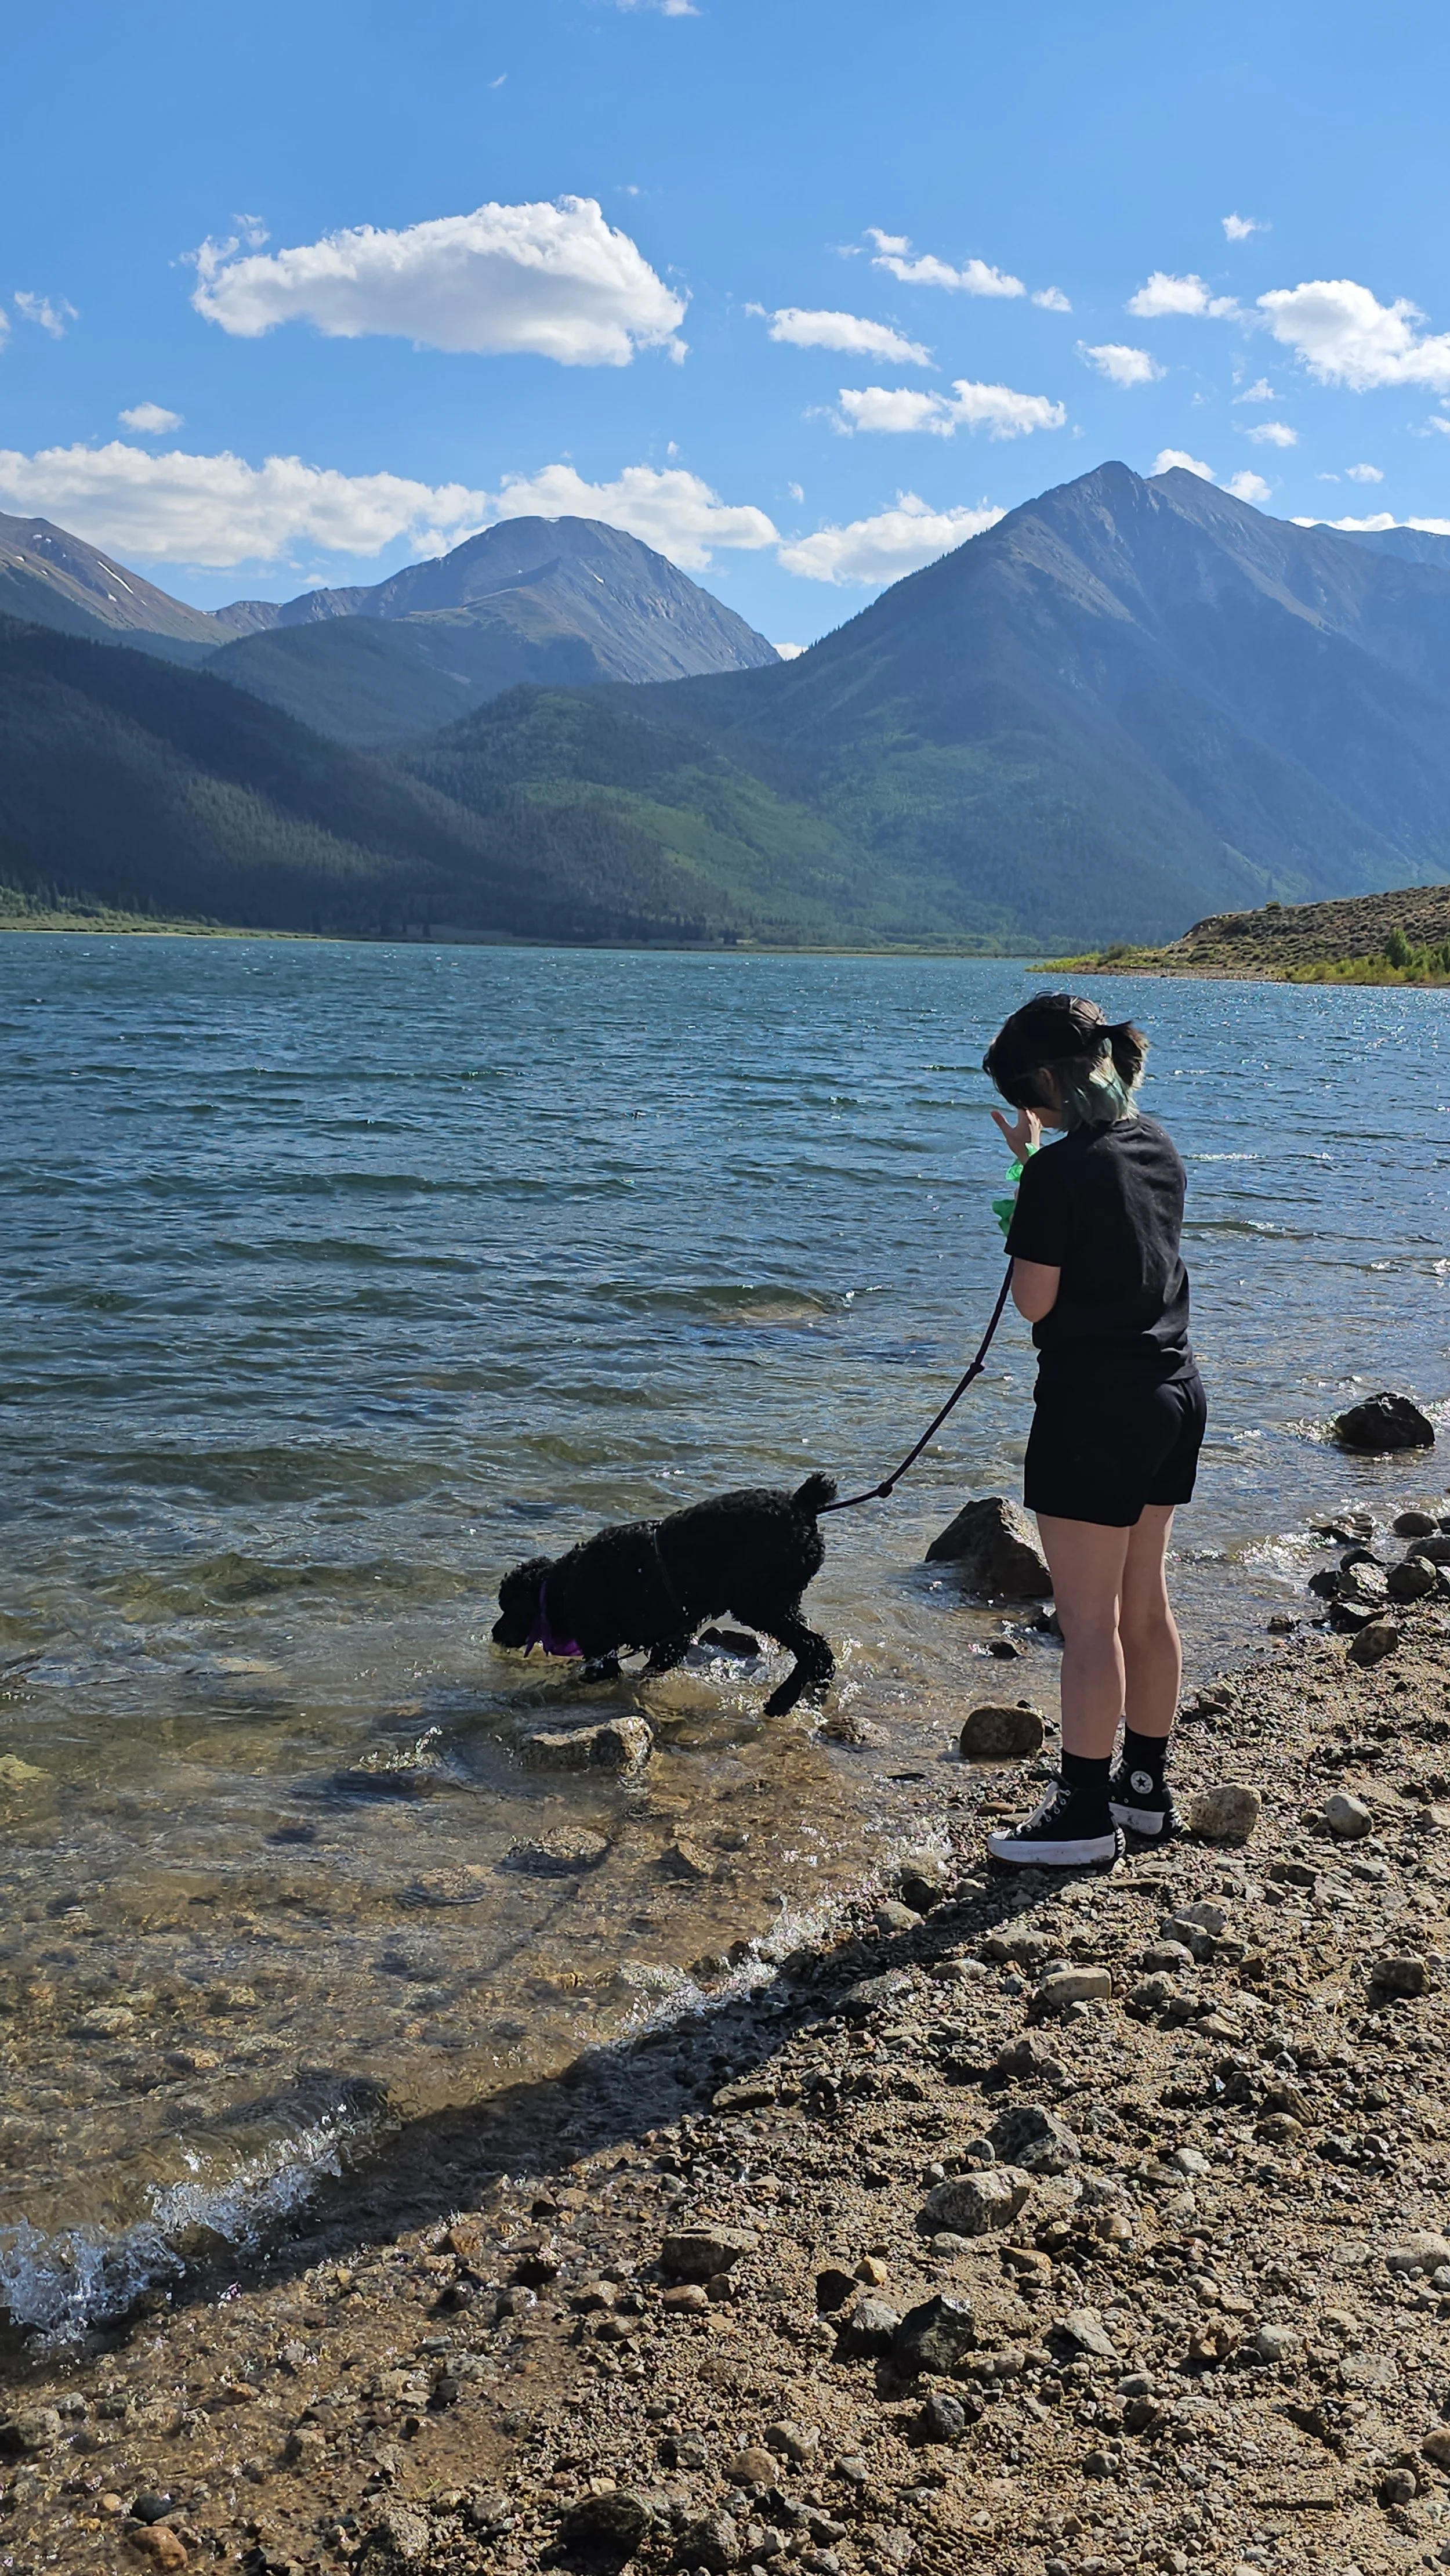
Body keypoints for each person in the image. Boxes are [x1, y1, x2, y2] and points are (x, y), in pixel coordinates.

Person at [978, 992, 1206, 1867]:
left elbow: (1036, 1298)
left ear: (1044, 1084)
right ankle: (1144, 1792)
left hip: (1094, 1409)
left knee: (1087, 1624)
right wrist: (1041, 1165)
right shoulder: (1157, 1144)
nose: (1028, 1114)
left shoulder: (1055, 1174)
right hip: (1173, 1394)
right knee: (1145, 1604)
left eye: (1025, 1096)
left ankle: (1080, 1815)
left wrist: (1025, 1178)